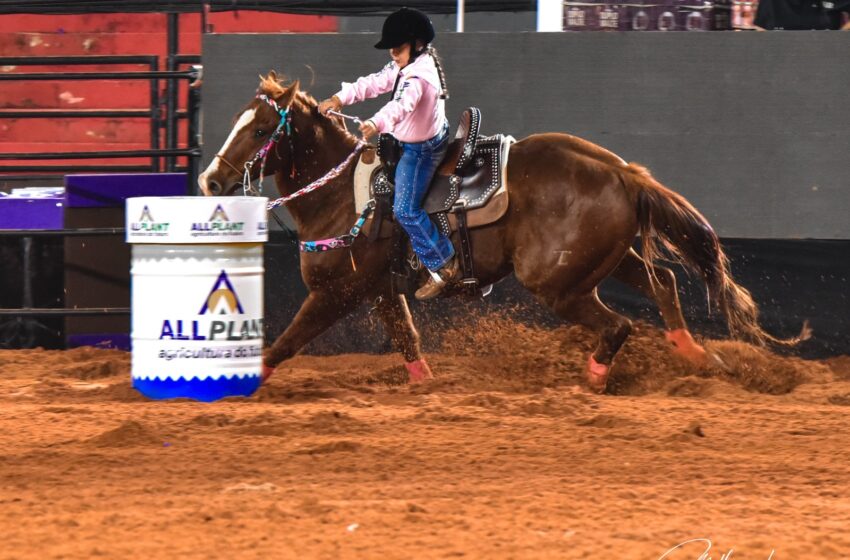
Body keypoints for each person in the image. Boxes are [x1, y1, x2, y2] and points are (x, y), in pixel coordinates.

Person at [318, 7, 459, 300]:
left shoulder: (419, 78)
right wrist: (339, 99)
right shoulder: (407, 65)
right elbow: (374, 82)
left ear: (416, 45)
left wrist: (374, 123)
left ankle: (443, 262)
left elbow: (400, 107)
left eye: (398, 48)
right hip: (416, 137)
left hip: (420, 151)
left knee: (405, 209)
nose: (393, 53)